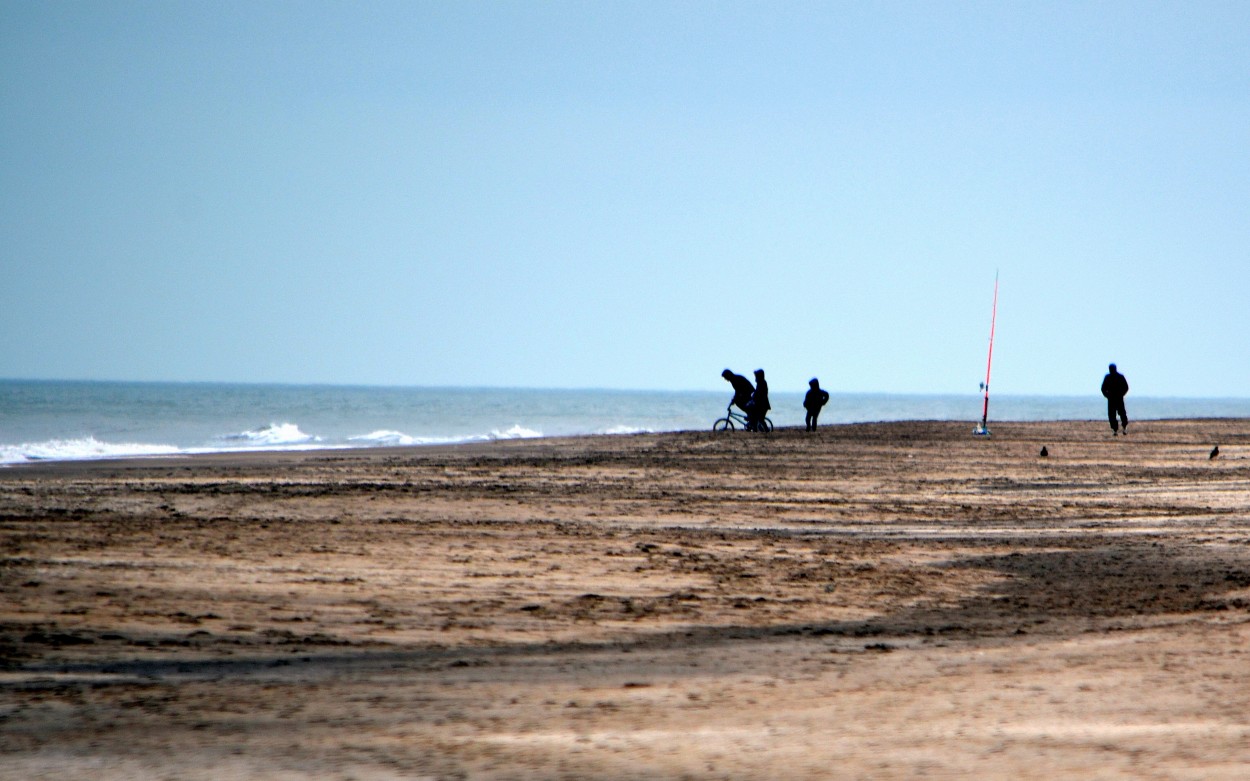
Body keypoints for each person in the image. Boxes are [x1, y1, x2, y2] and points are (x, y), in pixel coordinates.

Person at [1101, 363, 1129, 435]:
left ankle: (1124, 428)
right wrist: (1107, 395)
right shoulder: (1107, 377)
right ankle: (1115, 429)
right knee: (1112, 415)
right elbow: (1103, 388)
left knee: (1122, 414)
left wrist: (1121, 394)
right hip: (1112, 399)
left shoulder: (1120, 377)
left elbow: (1126, 387)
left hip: (1118, 398)